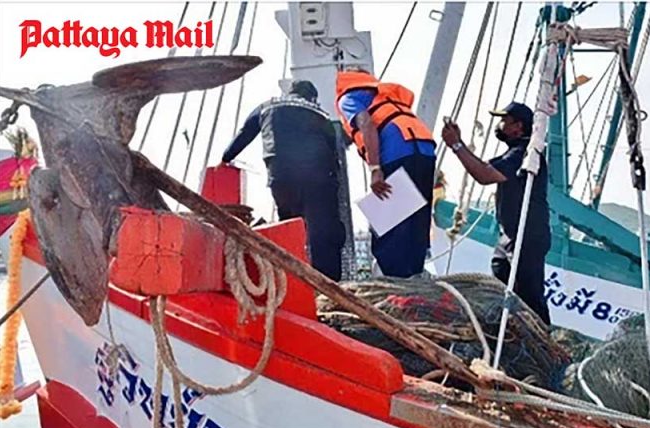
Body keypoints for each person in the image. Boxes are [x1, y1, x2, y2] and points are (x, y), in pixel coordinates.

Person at [221, 80, 346, 281]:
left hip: (281, 175)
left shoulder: (267, 106)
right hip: (317, 175)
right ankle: (329, 284)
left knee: (290, 227)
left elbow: (245, 133)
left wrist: (226, 157)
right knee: (323, 232)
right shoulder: (320, 113)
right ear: (312, 97)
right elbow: (334, 151)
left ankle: (291, 279)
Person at [441, 102, 551, 325]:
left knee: (529, 294)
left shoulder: (524, 153)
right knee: (500, 271)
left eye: (504, 121)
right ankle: (511, 326)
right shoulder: (514, 153)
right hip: (510, 235)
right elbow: (483, 167)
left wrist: (457, 146)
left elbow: (485, 175)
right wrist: (459, 144)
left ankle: (542, 334)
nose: (500, 126)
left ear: (518, 126)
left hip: (526, 235)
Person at [335, 68, 436, 278]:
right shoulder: (383, 95)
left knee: (389, 231)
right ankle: (415, 278)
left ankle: (397, 285)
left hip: (397, 152)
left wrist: (375, 169)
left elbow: (367, 124)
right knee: (415, 225)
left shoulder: (348, 97)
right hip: (425, 150)